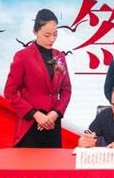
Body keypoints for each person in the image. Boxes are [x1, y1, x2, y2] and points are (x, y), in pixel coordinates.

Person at [4, 9, 72, 147]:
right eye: (47, 35)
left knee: (53, 161)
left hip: (53, 123)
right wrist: (35, 114)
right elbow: (10, 92)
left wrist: (56, 113)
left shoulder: (59, 57)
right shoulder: (23, 56)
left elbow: (66, 90)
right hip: (30, 124)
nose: (52, 39)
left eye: (55, 34)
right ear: (35, 32)